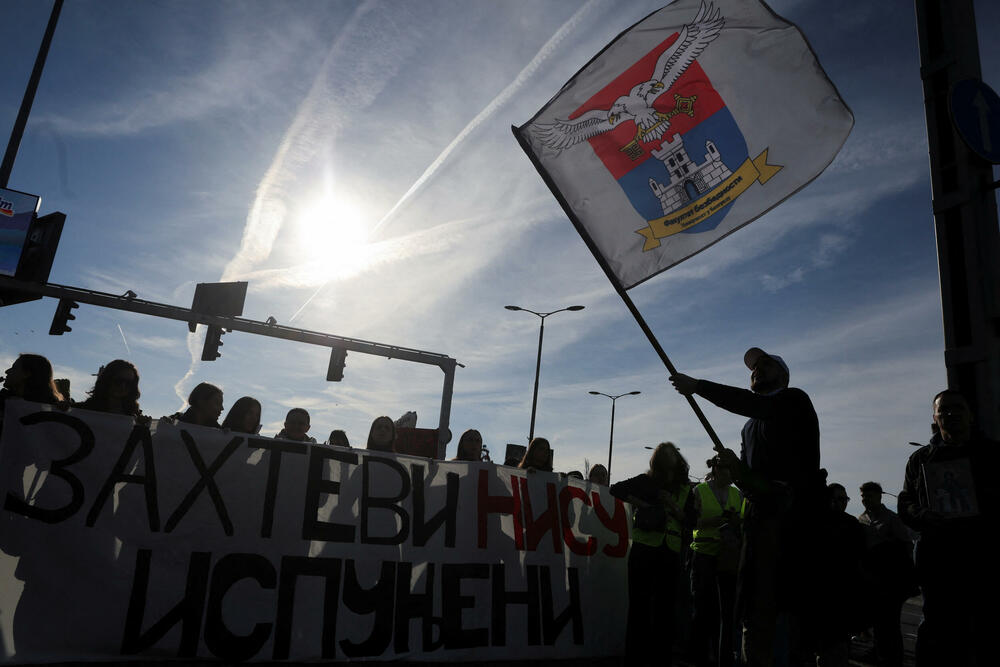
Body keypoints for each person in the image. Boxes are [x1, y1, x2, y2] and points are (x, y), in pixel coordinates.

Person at [669, 347, 824, 666]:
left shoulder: (794, 400)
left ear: (784, 375)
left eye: (765, 365)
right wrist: (736, 468)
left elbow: (753, 404)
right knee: (755, 605)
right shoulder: (749, 426)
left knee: (786, 606)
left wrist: (698, 386)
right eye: (753, 367)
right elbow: (750, 480)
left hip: (792, 519)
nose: (756, 370)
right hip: (759, 522)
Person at [897, 390, 999, 667]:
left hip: (983, 557)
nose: (950, 414)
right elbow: (905, 503)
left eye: (957, 408)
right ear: (934, 417)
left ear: (970, 415)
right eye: (943, 410)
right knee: (938, 630)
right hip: (938, 559)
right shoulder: (920, 460)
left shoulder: (992, 454)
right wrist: (922, 514)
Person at [610, 442, 695, 667]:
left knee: (665, 610)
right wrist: (644, 505)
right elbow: (615, 489)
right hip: (644, 549)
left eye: (672, 453)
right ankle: (635, 658)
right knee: (639, 607)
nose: (669, 457)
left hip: (670, 551)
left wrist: (673, 507)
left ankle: (660, 658)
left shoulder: (685, 488)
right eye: (665, 454)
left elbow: (692, 520)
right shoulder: (645, 481)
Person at [689, 457, 742, 667]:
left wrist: (735, 522)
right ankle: (699, 658)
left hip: (727, 557)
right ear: (717, 470)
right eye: (728, 470)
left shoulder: (737, 494)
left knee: (725, 613)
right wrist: (711, 522)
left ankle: (723, 658)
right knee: (702, 610)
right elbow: (690, 521)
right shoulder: (699, 491)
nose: (732, 475)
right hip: (703, 555)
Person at [856, 481, 913, 667]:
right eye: (863, 496)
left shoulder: (891, 518)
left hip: (891, 580)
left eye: (869, 496)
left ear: (879, 496)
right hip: (871, 579)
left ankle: (894, 658)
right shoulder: (861, 519)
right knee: (877, 620)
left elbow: (906, 545)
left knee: (890, 622)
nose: (866, 499)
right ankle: (879, 653)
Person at [815, 483, 866, 667]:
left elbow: (860, 559)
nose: (843, 503)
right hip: (825, 592)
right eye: (839, 499)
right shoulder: (818, 523)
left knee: (839, 644)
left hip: (844, 593)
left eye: (845, 499)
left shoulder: (852, 524)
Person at [77, 360, 142, 417]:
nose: (123, 386)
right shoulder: (79, 410)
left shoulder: (134, 418)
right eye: (118, 381)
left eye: (129, 383)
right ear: (107, 379)